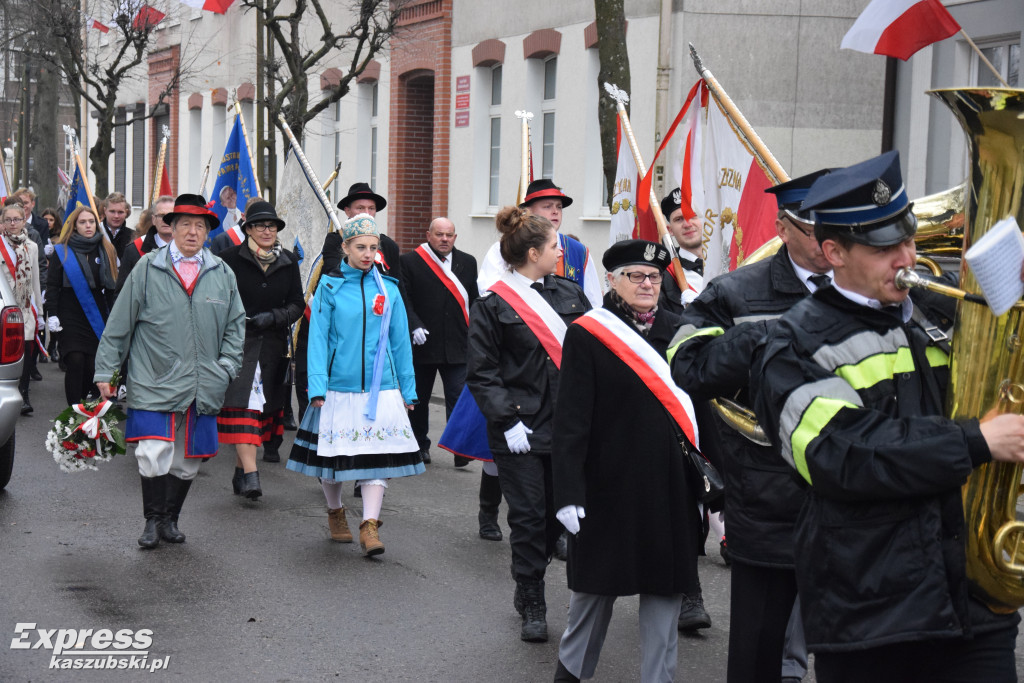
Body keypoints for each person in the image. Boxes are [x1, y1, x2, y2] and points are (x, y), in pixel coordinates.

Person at [753, 151, 1024, 683]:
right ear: (833, 252)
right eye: (884, 248)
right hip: (871, 613)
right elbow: (843, 456)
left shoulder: (945, 313)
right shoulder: (792, 343)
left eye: (907, 239)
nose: (906, 257)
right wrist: (976, 440)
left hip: (973, 606)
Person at [669, 169, 830, 680]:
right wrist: (767, 337)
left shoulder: (868, 287)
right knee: (759, 650)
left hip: (850, 493)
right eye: (816, 229)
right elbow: (685, 362)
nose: (833, 242)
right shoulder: (735, 291)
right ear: (784, 228)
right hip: (769, 494)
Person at [550, 239, 701, 683]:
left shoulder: (680, 329)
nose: (647, 284)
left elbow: (701, 410)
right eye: (636, 275)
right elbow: (571, 420)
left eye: (654, 276)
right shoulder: (588, 332)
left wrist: (713, 484)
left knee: (665, 595)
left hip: (670, 487)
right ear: (613, 280)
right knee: (594, 596)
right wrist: (568, 493)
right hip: (606, 488)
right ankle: (571, 676)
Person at [466, 206, 590, 643]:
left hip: (569, 428)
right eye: (555, 246)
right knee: (529, 517)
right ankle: (532, 597)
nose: (561, 252)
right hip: (519, 430)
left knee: (562, 516)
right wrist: (505, 419)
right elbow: (482, 372)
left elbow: (594, 354)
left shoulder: (571, 294)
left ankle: (530, 579)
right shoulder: (493, 304)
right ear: (534, 252)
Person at [94, 193, 245, 549]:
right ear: (170, 228)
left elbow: (236, 327)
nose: (192, 232)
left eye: (199, 226)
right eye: (184, 225)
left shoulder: (221, 273)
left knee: (188, 459)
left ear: (208, 231)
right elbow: (119, 323)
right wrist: (106, 369)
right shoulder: (149, 267)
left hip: (203, 381)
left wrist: (226, 367)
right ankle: (151, 521)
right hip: (153, 376)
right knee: (151, 451)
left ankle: (170, 519)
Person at [286, 213, 422, 556]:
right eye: (360, 247)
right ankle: (335, 512)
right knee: (334, 463)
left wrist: (408, 389)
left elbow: (400, 342)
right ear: (345, 247)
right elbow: (317, 340)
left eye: (373, 248)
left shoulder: (389, 289)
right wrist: (316, 386)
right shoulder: (329, 287)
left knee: (377, 462)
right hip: (338, 389)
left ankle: (370, 526)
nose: (367, 253)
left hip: (383, 389)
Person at [293, 182, 408, 420]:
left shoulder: (388, 246)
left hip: (379, 366)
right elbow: (336, 272)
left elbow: (398, 292)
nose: (368, 253)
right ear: (347, 211)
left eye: (371, 208)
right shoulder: (334, 242)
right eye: (360, 207)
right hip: (343, 357)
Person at [218, 201, 303, 498]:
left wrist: (276, 317)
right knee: (245, 408)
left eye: (272, 226)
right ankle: (253, 475)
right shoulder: (227, 258)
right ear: (248, 229)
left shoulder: (289, 261)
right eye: (260, 225)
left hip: (274, 347)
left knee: (263, 410)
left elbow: (297, 305)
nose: (267, 231)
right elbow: (215, 299)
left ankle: (242, 470)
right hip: (238, 345)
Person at [399, 217, 479, 464]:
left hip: (457, 342)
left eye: (450, 235)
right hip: (423, 343)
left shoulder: (468, 262)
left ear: (455, 237)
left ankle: (460, 447)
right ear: (428, 235)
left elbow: (474, 300)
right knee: (419, 399)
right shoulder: (410, 262)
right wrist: (414, 325)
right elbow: (405, 298)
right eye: (440, 234)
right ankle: (420, 445)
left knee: (459, 396)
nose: (445, 239)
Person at [478, 179, 602, 308]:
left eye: (559, 207)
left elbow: (594, 304)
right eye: (547, 206)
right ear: (528, 211)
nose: (555, 211)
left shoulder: (579, 252)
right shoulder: (505, 248)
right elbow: (490, 293)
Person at [46, 206, 118, 405]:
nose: (88, 226)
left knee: (91, 365)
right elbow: (52, 286)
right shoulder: (62, 251)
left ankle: (87, 403)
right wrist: (52, 314)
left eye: (92, 222)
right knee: (75, 360)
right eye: (83, 222)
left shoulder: (106, 248)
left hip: (96, 315)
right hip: (69, 313)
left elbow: (112, 287)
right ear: (74, 226)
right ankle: (74, 410)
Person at [0, 202, 42, 415]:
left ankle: (24, 393)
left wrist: (40, 312)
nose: (13, 223)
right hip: (5, 308)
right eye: (8, 219)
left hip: (25, 307)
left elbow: (35, 280)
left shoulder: (32, 246)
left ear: (24, 220)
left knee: (26, 351)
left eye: (17, 219)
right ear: (3, 222)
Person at [658, 188, 706, 316]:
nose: (687, 224)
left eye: (692, 216)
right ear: (670, 230)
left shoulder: (729, 261)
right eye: (679, 219)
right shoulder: (664, 275)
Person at [116, 196, 175, 294]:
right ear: (153, 220)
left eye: (170, 216)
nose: (165, 220)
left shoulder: (188, 249)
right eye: (161, 215)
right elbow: (122, 294)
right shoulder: (134, 250)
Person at [40, 208, 62, 364]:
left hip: (55, 282)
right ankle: (41, 348)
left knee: (55, 316)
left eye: (51, 219)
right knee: (42, 317)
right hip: (42, 281)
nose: (48, 222)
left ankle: (52, 346)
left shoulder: (60, 238)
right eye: (45, 219)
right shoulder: (40, 235)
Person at [100, 192, 133, 259]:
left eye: (120, 212)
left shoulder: (133, 237)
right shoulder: (96, 233)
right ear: (105, 210)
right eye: (112, 211)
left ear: (126, 212)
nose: (116, 216)